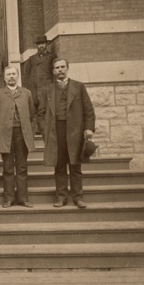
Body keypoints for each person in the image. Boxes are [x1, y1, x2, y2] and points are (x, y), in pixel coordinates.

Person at [38, 58, 95, 209]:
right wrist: (45, 132)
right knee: (59, 166)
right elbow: (41, 113)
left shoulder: (79, 87)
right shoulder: (47, 90)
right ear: (53, 71)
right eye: (57, 68)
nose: (60, 70)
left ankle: (78, 197)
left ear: (67, 68)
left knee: (75, 166)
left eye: (63, 67)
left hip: (75, 132)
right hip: (56, 132)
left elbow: (89, 110)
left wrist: (89, 128)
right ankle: (61, 197)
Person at [0, 66, 36, 208]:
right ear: (4, 77)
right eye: (8, 75)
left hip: (22, 134)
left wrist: (29, 131)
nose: (11, 77)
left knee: (22, 167)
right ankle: (8, 198)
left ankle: (23, 198)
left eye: (13, 74)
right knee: (8, 168)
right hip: (6, 135)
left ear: (18, 76)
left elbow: (32, 114)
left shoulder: (26, 93)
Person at [23, 35, 55, 131]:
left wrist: (52, 86)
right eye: (39, 44)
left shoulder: (52, 57)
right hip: (34, 88)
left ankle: (46, 129)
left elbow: (54, 73)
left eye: (43, 43)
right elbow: (26, 74)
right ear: (37, 46)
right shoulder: (32, 58)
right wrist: (27, 87)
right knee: (34, 109)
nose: (41, 46)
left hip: (46, 86)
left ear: (47, 44)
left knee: (46, 108)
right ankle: (36, 129)